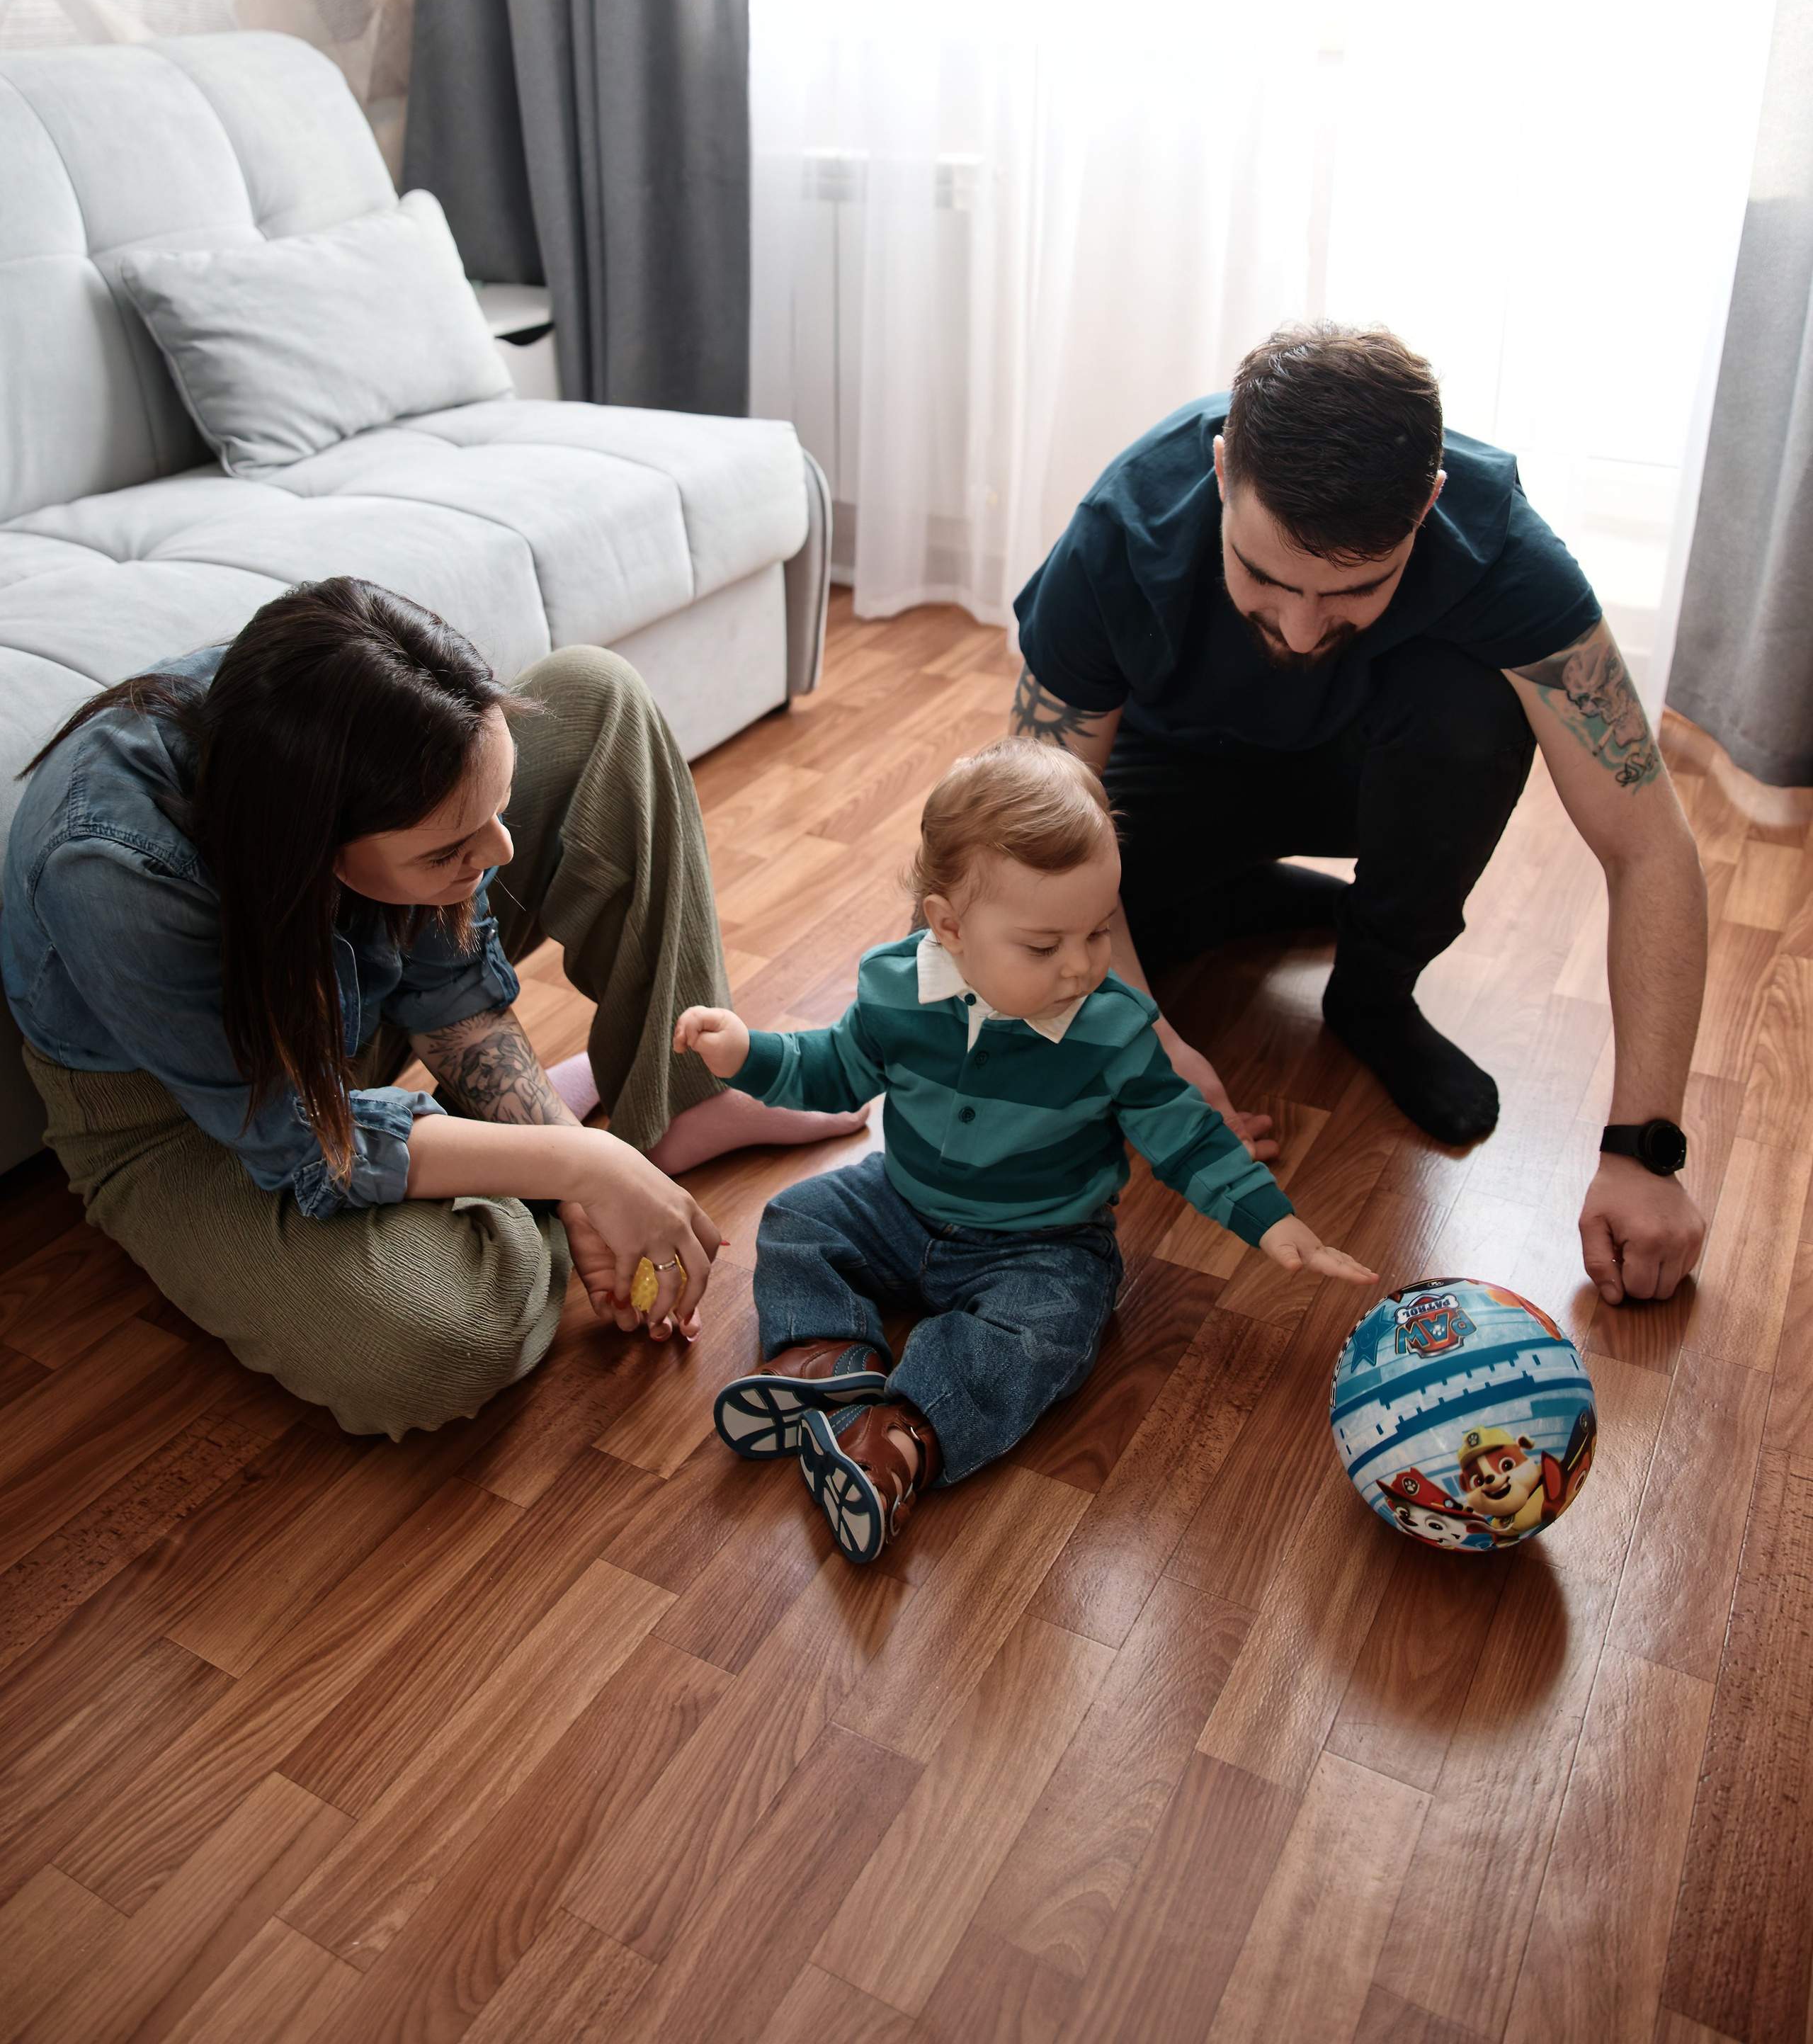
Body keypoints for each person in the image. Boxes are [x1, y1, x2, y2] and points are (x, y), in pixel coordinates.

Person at [0, 578, 864, 1438]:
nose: (502, 851)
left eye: (493, 812)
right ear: (308, 852)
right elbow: (304, 1137)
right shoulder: (113, 869)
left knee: (598, 697)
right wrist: (580, 1172)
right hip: (190, 1110)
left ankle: (672, 1101)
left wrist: (570, 1163)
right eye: (454, 846)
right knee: (441, 1344)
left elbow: (446, 983)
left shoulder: (336, 715)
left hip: (345, 1001)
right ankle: (563, 1147)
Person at [1008, 322, 1708, 1308]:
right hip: (1168, 782)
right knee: (1019, 948)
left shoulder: (1500, 547)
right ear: (1220, 473)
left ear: (1426, 506)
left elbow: (1648, 844)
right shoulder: (1121, 531)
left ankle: (1373, 988)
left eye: (1353, 589)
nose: (1299, 629)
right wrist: (1147, 1051)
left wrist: (1646, 1150)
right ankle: (1238, 898)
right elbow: (1034, 830)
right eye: (1265, 577)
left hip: (1371, 779)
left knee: (1474, 715)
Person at [678, 739, 1375, 1563]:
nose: (1081, 965)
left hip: (1042, 1246)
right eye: (1045, 947)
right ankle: (825, 1355)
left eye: (1100, 930)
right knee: (797, 1216)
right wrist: (748, 1055)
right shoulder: (893, 986)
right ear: (949, 927)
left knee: (1047, 1330)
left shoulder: (1114, 1029)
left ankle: (903, 1436)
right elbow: (833, 1070)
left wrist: (1271, 1221)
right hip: (900, 1205)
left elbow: (1185, 1136)